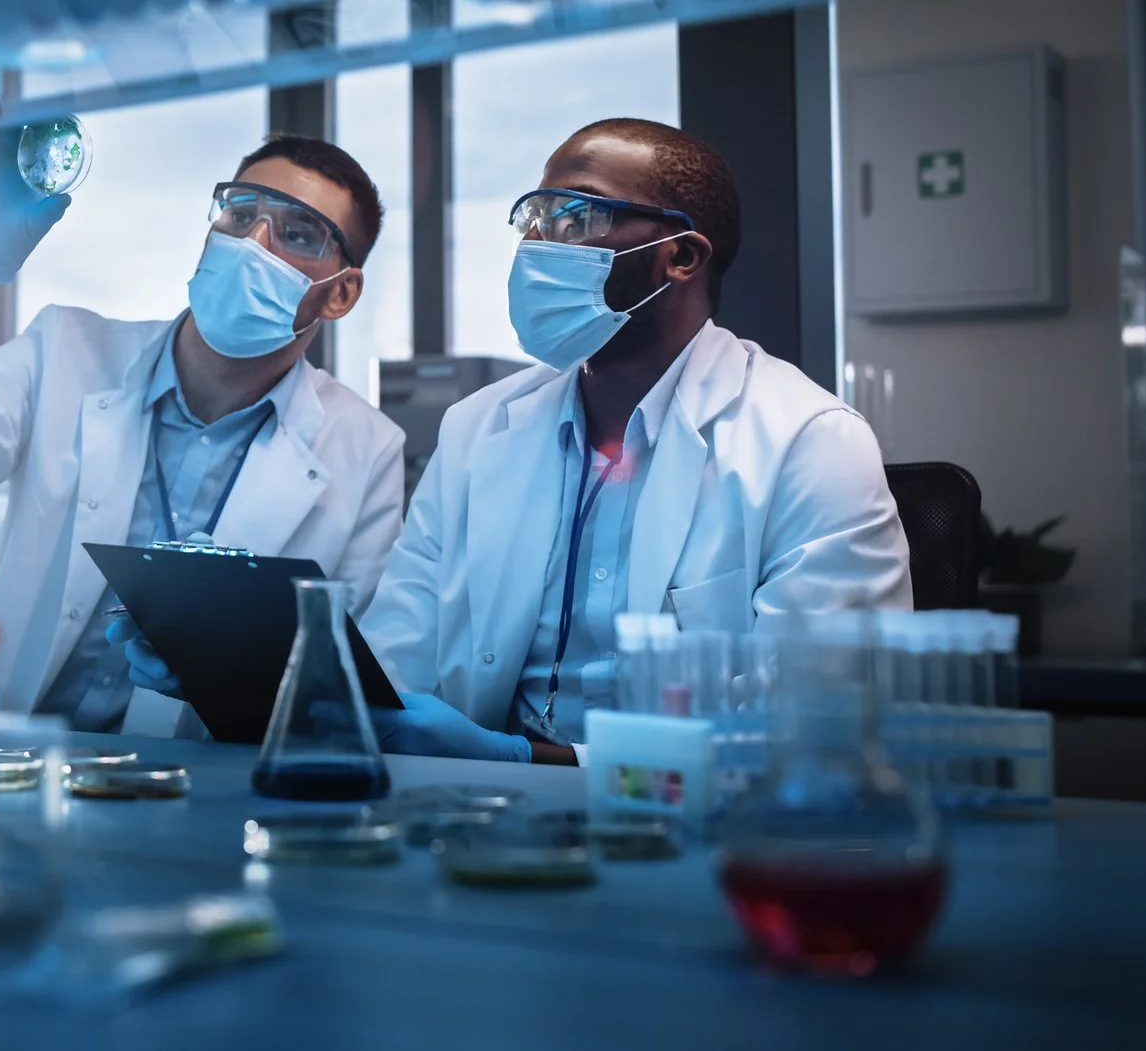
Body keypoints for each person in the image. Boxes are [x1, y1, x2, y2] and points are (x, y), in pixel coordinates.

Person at [359, 118, 912, 765]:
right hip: (479, 819)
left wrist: (528, 760)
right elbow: (392, 659)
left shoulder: (810, 441)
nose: (536, 242)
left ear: (679, 255)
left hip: (701, 829)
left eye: (575, 217)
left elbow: (815, 722)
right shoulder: (475, 430)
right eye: (532, 216)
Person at [0, 129, 408, 736]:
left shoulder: (365, 449)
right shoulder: (65, 350)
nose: (253, 244)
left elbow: (345, 687)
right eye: (239, 215)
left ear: (340, 292)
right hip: (14, 764)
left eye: (295, 234)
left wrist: (237, 666)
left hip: (200, 797)